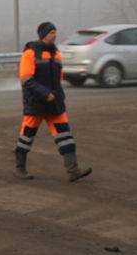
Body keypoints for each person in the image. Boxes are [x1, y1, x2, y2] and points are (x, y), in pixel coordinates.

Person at [14, 22, 91, 182]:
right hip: (36, 104)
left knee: (66, 137)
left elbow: (58, 78)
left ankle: (73, 171)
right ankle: (20, 169)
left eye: (55, 32)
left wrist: (58, 96)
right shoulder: (30, 53)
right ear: (43, 35)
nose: (54, 35)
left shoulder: (57, 54)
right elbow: (26, 79)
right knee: (26, 137)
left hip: (55, 104)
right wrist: (45, 93)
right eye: (51, 33)